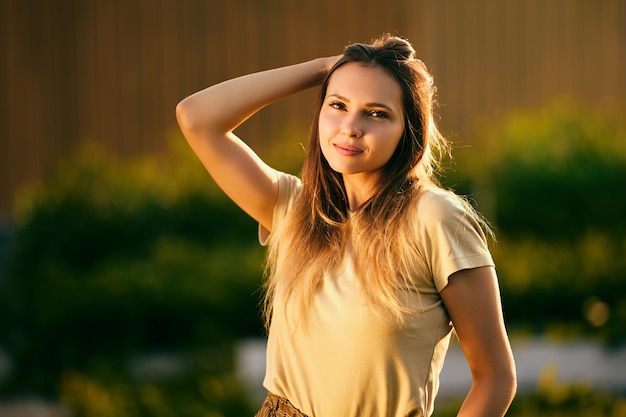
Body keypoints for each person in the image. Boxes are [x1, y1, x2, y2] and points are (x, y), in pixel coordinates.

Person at [176, 34, 516, 417]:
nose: (350, 127)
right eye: (337, 105)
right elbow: (197, 118)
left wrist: (341, 77)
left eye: (376, 113)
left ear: (409, 129)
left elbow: (495, 377)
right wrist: (325, 68)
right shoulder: (293, 209)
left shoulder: (435, 218)